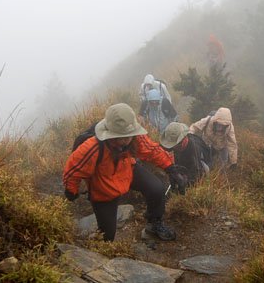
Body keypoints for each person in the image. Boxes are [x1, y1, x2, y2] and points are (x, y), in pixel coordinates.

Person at [62, 103, 186, 242]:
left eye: (129, 136)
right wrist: (71, 190)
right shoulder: (93, 147)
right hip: (103, 187)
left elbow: (152, 150)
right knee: (107, 235)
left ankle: (155, 223)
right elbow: (73, 169)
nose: (127, 140)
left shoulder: (134, 138)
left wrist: (170, 168)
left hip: (127, 169)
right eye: (122, 137)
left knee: (156, 188)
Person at [160, 122, 210, 191]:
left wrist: (184, 182)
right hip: (182, 162)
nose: (173, 147)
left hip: (200, 166)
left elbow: (196, 174)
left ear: (183, 140)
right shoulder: (174, 142)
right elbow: (160, 150)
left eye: (175, 146)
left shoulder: (194, 149)